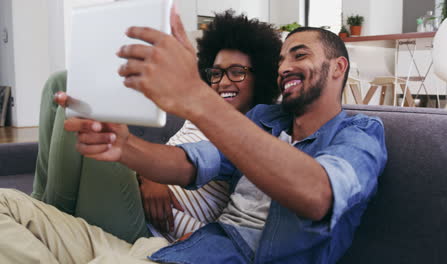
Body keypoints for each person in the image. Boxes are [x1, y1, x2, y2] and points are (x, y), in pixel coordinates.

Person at [0, 5, 387, 263]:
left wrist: (198, 98)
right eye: (281, 58)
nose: (284, 66)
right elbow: (190, 163)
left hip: (186, 252)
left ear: (338, 67)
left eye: (299, 55)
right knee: (5, 204)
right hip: (154, 250)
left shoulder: (360, 133)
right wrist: (125, 146)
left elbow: (318, 195)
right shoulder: (265, 122)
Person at [30, 10, 281, 243]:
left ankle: (47, 220)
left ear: (260, 77)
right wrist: (148, 177)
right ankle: (40, 204)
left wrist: (172, 225)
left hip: (148, 228)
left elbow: (221, 226)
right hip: (131, 192)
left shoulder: (253, 136)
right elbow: (158, 160)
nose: (223, 82)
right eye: (216, 73)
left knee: (79, 97)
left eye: (237, 72)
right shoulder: (198, 116)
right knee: (58, 82)